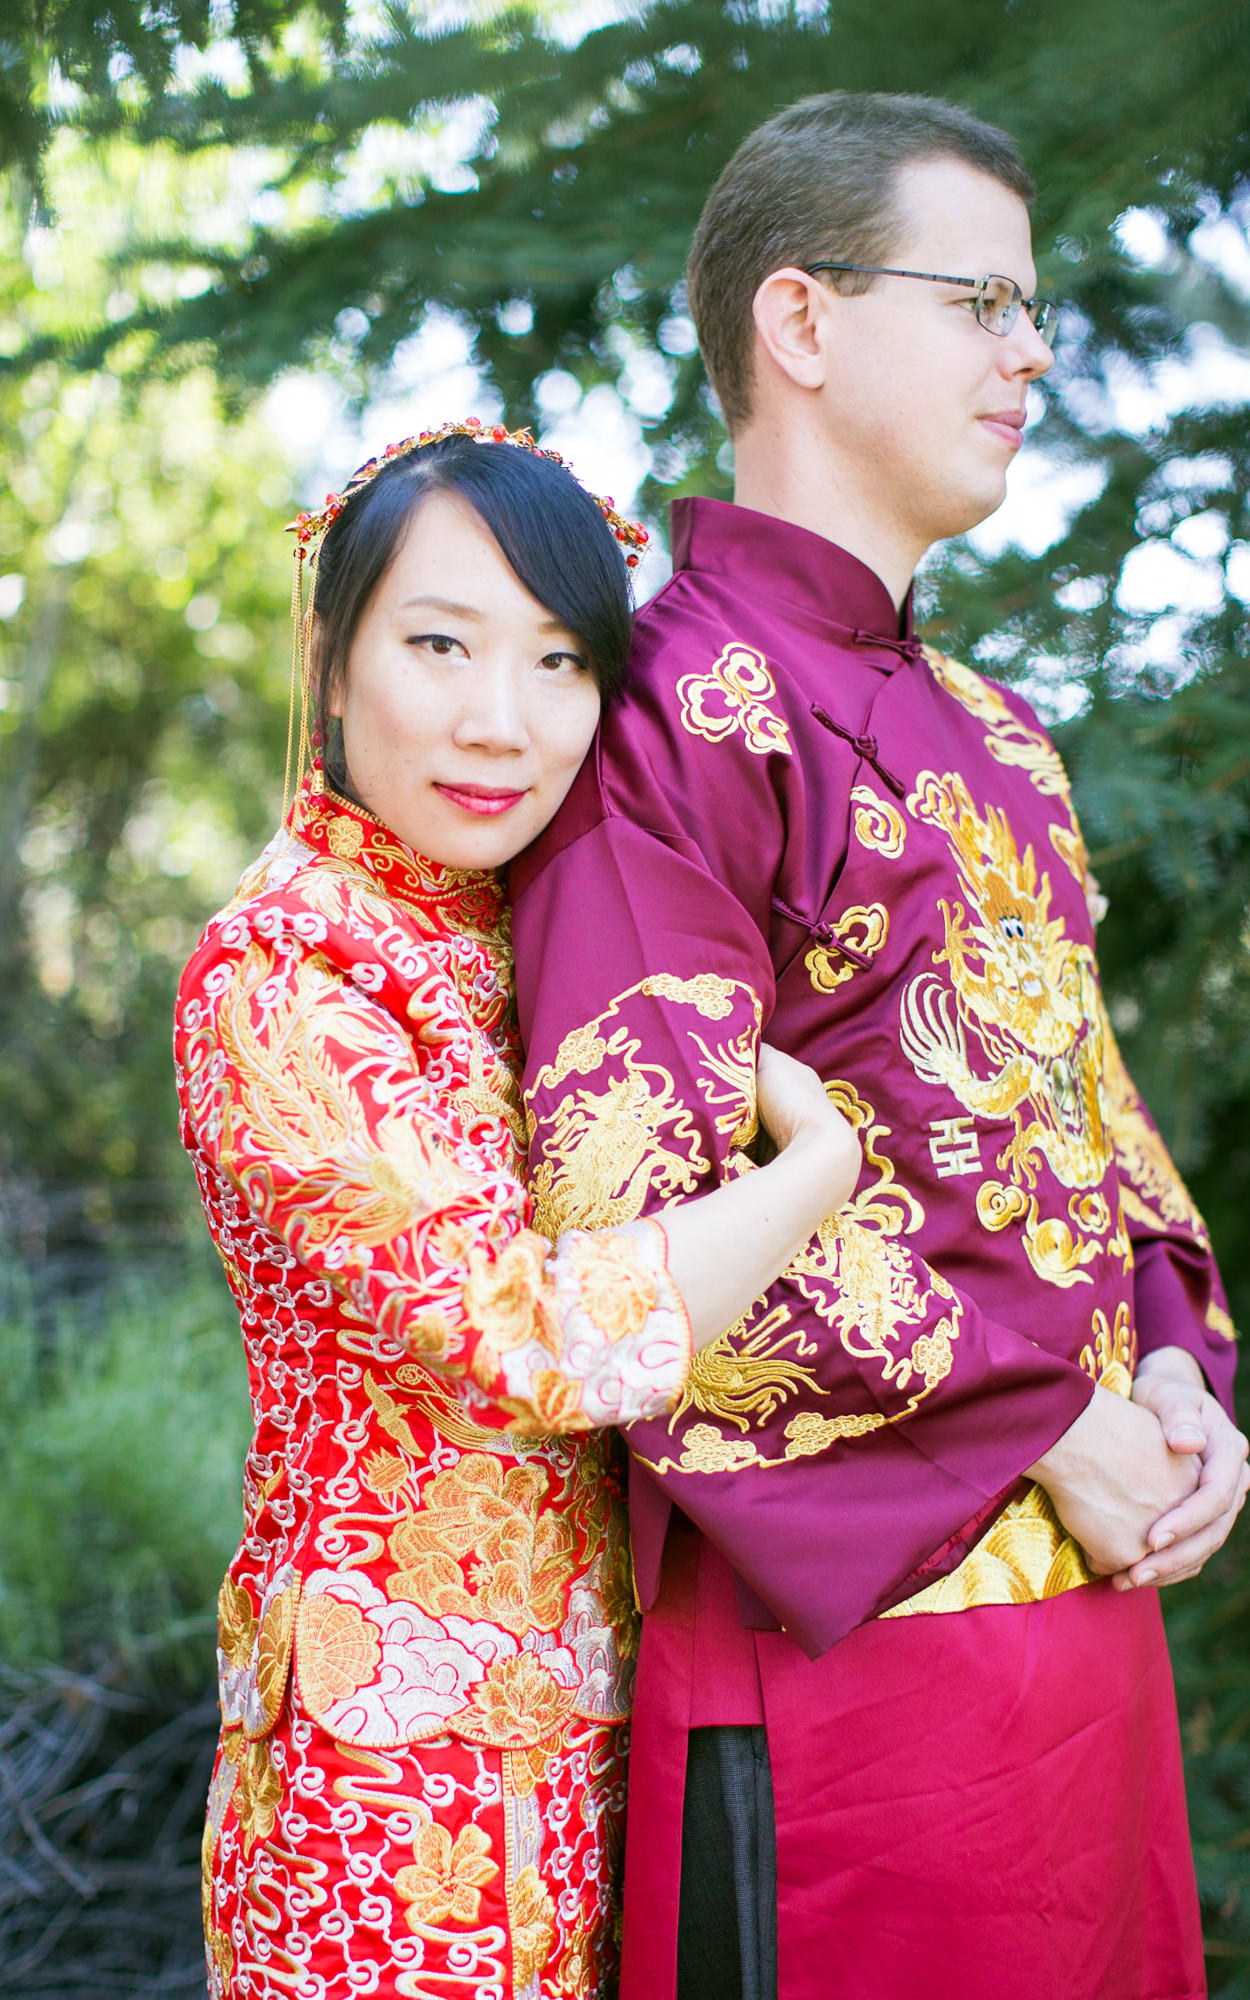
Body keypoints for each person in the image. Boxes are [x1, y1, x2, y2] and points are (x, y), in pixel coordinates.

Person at [510, 95, 1250, 2000]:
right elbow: (633, 1208)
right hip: (845, 1659)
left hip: (1093, 1626)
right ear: (803, 322)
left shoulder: (1001, 735)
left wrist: (1175, 1388)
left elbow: (1091, 1124)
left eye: (1036, 308)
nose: (1033, 353)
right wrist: (1044, 1423)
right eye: (982, 300)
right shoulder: (668, 709)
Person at [173, 421, 860, 1998]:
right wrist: (816, 1172)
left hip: (594, 1740)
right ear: (331, 660)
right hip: (381, 1777)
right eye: (438, 645)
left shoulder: (534, 935)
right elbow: (523, 1340)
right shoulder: (287, 969)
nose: (503, 721)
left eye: (561, 662)